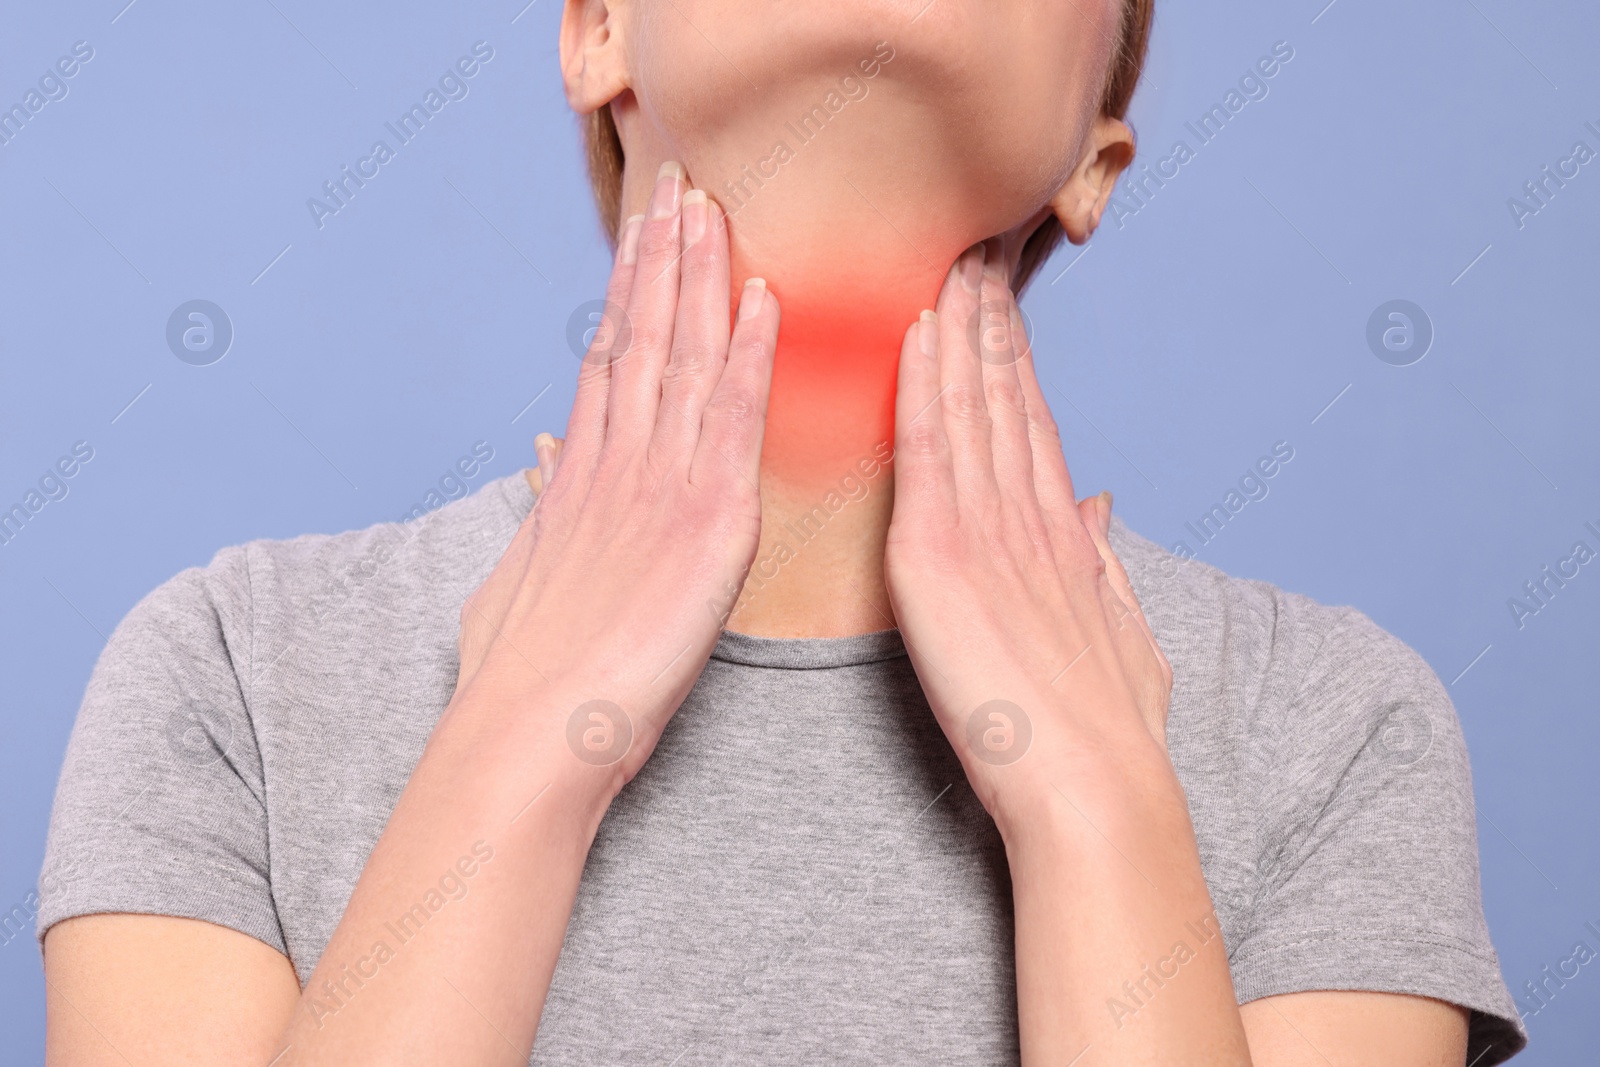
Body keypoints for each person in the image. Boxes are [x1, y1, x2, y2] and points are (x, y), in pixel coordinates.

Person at [38, 0, 1525, 1063]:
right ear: (597, 30)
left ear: (1095, 157)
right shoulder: (230, 675)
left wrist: (1093, 804)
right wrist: (529, 734)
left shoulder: (1338, 726)